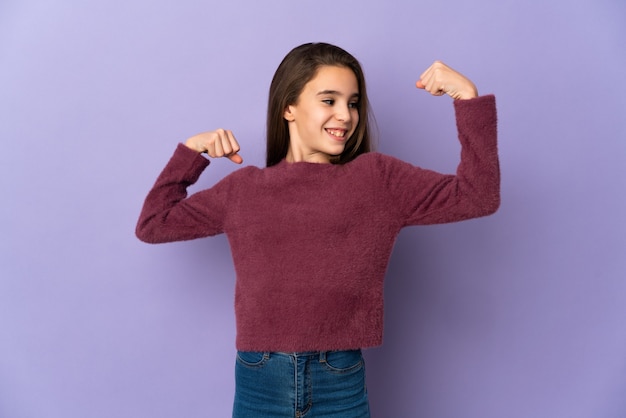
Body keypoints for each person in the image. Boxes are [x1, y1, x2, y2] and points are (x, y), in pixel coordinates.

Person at [136, 42, 499, 418]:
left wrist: (468, 100)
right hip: (259, 380)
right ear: (288, 108)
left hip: (339, 380)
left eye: (353, 102)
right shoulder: (242, 190)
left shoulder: (377, 180)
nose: (345, 115)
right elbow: (153, 225)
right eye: (329, 100)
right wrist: (191, 153)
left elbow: (478, 196)